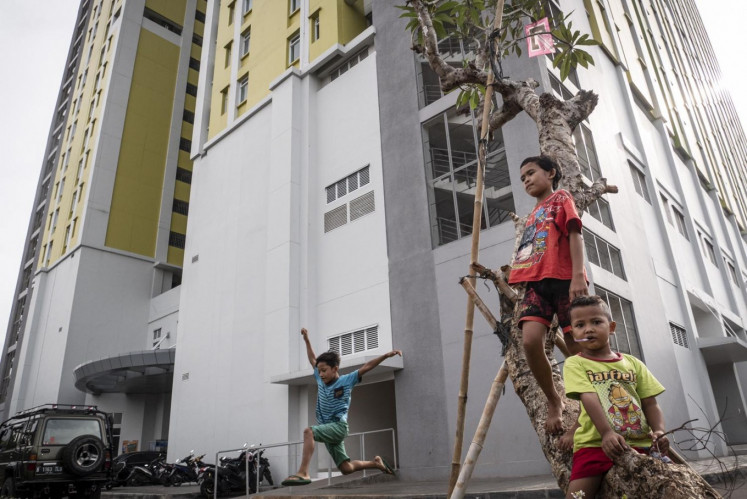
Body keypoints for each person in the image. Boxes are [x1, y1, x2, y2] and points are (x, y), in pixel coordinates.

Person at [509, 155, 588, 433]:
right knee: (530, 341)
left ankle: (587, 411)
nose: (526, 180)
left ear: (551, 173)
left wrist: (578, 275)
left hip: (566, 279)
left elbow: (575, 235)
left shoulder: (562, 198)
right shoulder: (532, 214)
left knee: (577, 347)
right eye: (522, 178)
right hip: (536, 285)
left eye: (531, 173)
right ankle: (554, 400)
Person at [563, 295, 669, 499]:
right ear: (573, 333)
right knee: (578, 496)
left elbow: (650, 403)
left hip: (640, 446)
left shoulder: (633, 363)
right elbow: (588, 396)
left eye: (596, 322)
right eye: (580, 325)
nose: (588, 329)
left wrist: (659, 431)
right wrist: (606, 433)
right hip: (594, 445)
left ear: (611, 327)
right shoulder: (576, 363)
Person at [281, 328, 401, 486]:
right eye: (319, 371)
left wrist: (386, 355)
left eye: (324, 371)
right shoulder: (319, 377)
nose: (321, 375)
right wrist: (307, 339)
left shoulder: (347, 380)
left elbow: (367, 366)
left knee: (308, 432)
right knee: (346, 468)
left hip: (338, 427)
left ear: (335, 369)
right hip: (329, 429)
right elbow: (312, 359)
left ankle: (303, 472)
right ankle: (376, 463)